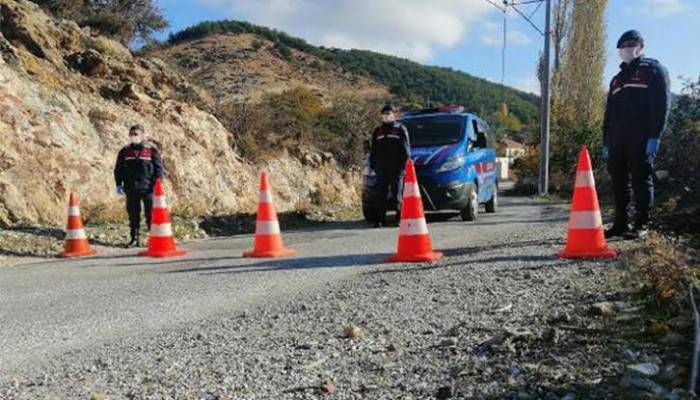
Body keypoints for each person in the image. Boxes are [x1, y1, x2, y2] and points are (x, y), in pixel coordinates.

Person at [602, 30, 670, 240]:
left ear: (640, 47)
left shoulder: (653, 70)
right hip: (617, 140)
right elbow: (609, 113)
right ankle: (621, 223)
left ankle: (642, 224)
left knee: (642, 180)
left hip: (641, 137)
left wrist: (655, 135)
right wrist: (606, 141)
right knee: (619, 182)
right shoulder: (616, 80)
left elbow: (661, 104)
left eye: (631, 45)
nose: (626, 49)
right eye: (622, 46)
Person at [114, 124, 164, 247]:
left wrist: (158, 183)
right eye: (131, 134)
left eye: (136, 134)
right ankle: (134, 238)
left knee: (150, 214)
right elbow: (118, 169)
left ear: (142, 135)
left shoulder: (151, 150)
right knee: (133, 214)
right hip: (131, 188)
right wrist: (119, 184)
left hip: (148, 188)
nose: (133, 136)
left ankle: (154, 238)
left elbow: (158, 168)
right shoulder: (124, 151)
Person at [369, 104, 411, 228]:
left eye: (388, 114)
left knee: (397, 193)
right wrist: (373, 165)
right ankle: (379, 220)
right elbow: (374, 150)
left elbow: (405, 148)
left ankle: (400, 218)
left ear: (394, 115)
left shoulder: (400, 129)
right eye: (384, 114)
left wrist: (405, 164)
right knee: (380, 194)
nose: (386, 116)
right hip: (381, 168)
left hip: (396, 167)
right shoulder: (378, 131)